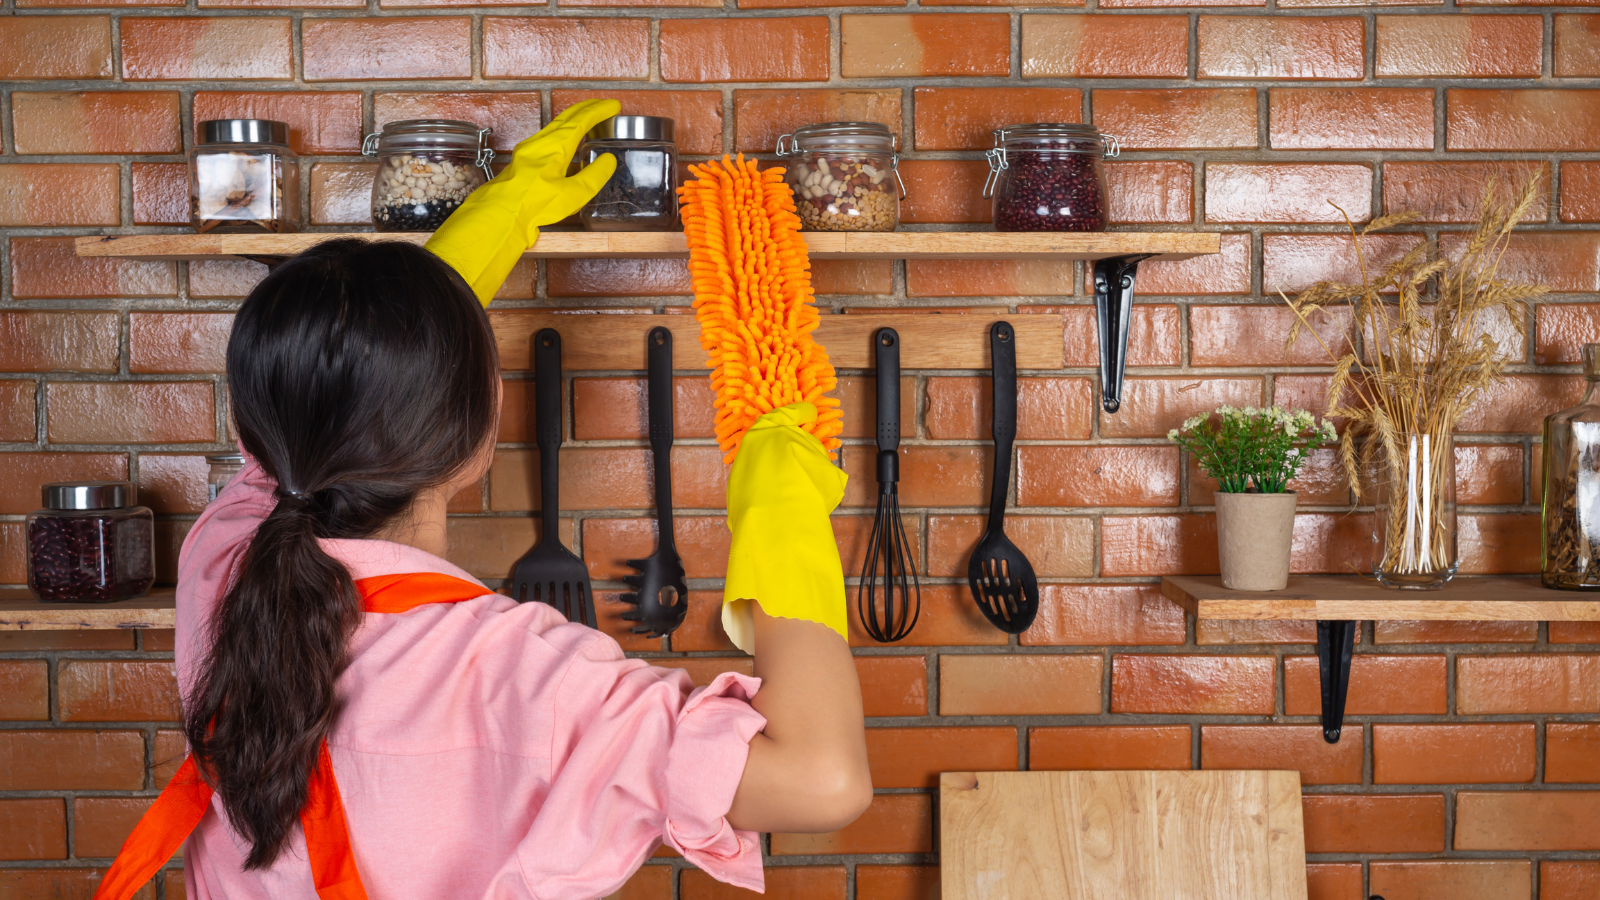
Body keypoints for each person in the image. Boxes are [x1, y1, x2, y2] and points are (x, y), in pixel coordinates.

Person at [93, 102, 871, 900]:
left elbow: (329, 394)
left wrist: (507, 210)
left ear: (248, 424)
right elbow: (823, 779)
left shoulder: (222, 558)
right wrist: (782, 488)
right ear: (482, 428)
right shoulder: (521, 672)